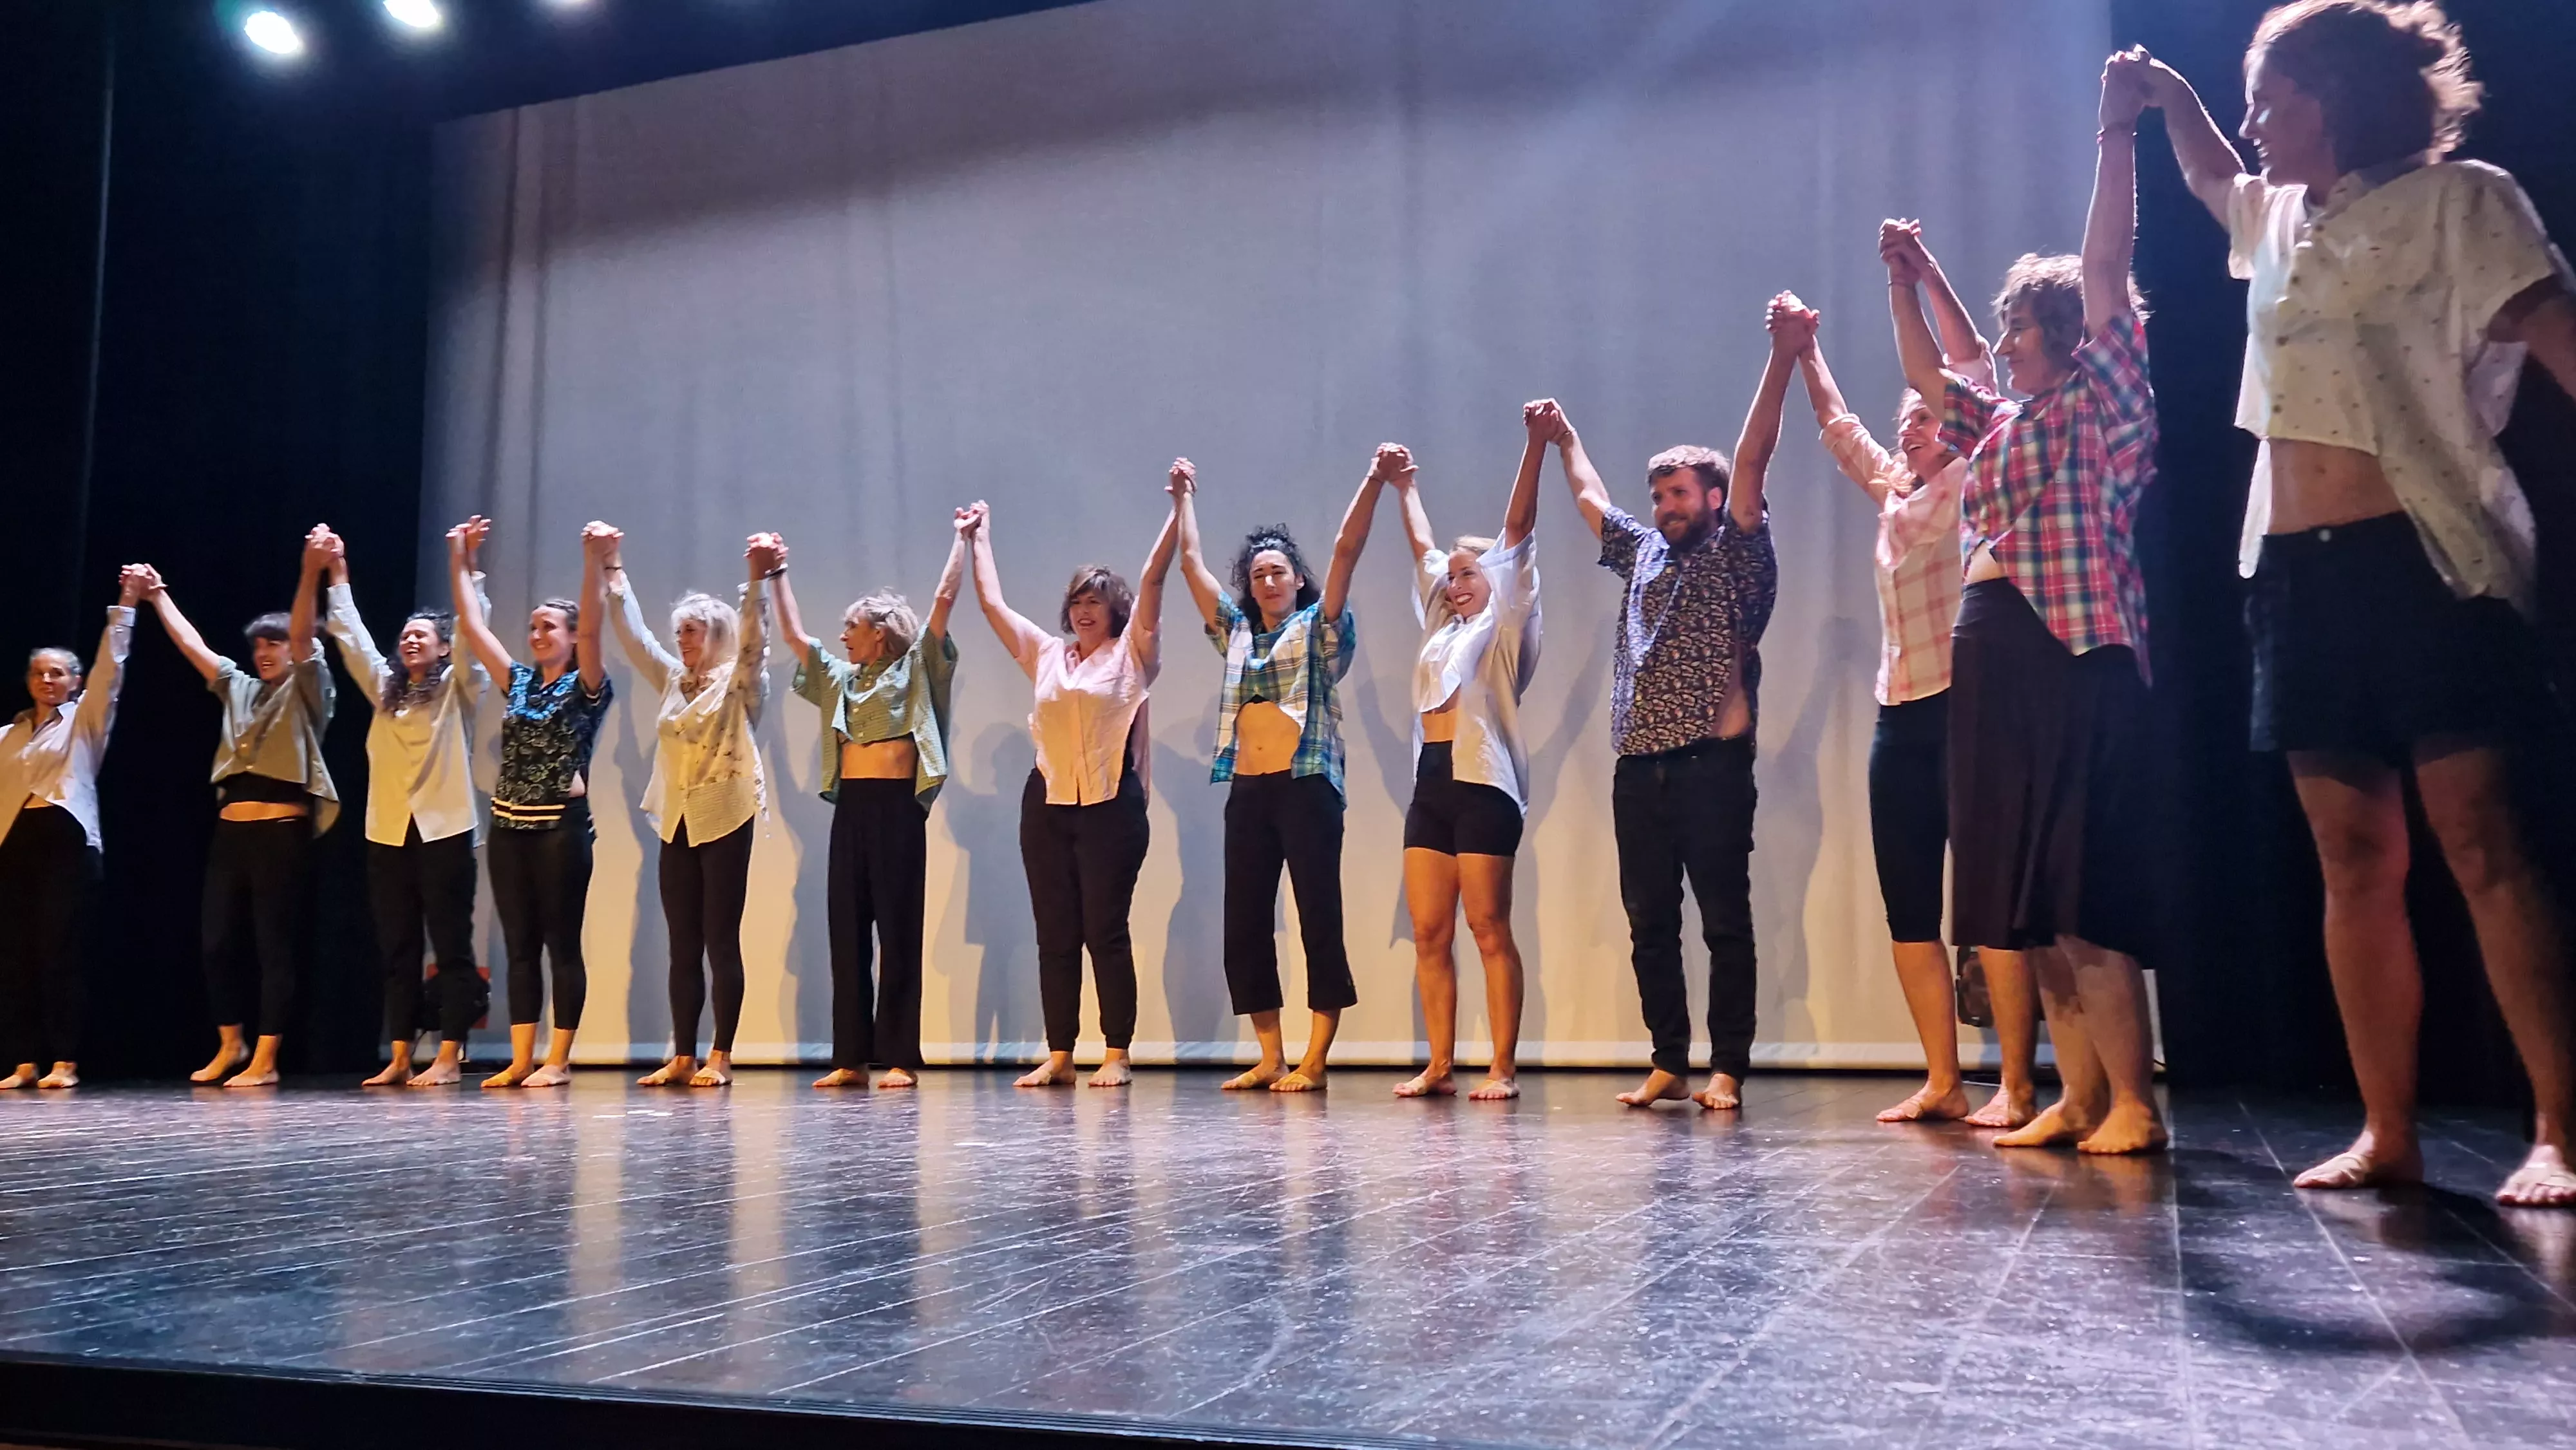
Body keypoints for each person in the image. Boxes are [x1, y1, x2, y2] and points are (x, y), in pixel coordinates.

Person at [2124, 3, 2576, 1204]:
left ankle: (2560, 1129)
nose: (2257, 123)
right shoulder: (2277, 218)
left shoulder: (2461, 202)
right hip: (2294, 569)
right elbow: (2214, 170)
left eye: (2271, 97)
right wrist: (2171, 98)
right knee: (2351, 852)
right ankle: (2389, 1129)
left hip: (2426, 555)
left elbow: (2556, 335)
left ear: (2336, 96)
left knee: (2481, 841)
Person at [1888, 58, 2165, 1156]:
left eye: (2017, 331)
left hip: (2072, 645)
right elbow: (1934, 374)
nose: (2005, 348)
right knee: (2023, 893)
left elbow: (2105, 264)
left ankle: (2133, 1101)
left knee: (2083, 880)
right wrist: (1906, 278)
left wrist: (2114, 137)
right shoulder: (2002, 424)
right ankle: (2081, 1095)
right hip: (1992, 645)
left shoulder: (2102, 393)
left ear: (2063, 333)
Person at [1806, 234, 2040, 1128]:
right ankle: (1944, 1079)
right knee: (1911, 906)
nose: (1908, 425)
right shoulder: (1900, 494)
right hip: (1897, 713)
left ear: (1962, 423)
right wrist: (1804, 351)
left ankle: (2016, 1084)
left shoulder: (1979, 478)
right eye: (1904, 419)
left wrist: (1917, 275)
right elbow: (1839, 431)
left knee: (1983, 903)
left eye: (1925, 415)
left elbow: (1964, 362)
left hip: (1966, 708)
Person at [1562, 303, 1788, 1111]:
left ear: (1714, 495)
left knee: (1724, 921)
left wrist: (1784, 356)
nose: (1666, 505)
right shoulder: (1644, 551)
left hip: (1710, 764)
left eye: (1680, 492)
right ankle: (1668, 1058)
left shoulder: (1734, 546)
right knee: (1649, 923)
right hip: (1639, 769)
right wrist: (1563, 440)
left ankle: (1727, 1064)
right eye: (1659, 494)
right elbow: (1590, 498)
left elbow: (1756, 453)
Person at [1173, 446, 1391, 1091]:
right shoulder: (1238, 634)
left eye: (1280, 572)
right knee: (1244, 919)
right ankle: (1270, 1053)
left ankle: (1315, 1057)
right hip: (1249, 788)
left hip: (1307, 784)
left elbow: (1347, 550)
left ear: (1297, 578)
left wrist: (1374, 477)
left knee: (1317, 911)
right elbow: (1190, 563)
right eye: (1260, 574)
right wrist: (1183, 494)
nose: (1269, 581)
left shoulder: (1318, 628)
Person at [961, 476, 1179, 1090]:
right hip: (1049, 803)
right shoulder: (1048, 655)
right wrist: (981, 537)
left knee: (1104, 930)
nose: (1085, 610)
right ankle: (1059, 1053)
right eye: (1078, 601)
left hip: (1112, 804)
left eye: (1097, 601)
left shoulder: (1132, 655)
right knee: (1055, 933)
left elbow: (1157, 581)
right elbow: (992, 607)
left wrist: (1178, 507)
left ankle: (1116, 1052)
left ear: (1115, 610)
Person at [1385, 405, 1547, 1102]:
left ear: (1495, 580)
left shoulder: (1505, 626)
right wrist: (1404, 485)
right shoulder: (1439, 627)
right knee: (1428, 930)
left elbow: (1516, 531)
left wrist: (1535, 445)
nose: (1454, 583)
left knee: (1487, 926)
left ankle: (1502, 1065)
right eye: (1449, 577)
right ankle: (1439, 1063)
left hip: (1484, 782)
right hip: (1432, 781)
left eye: (1468, 573)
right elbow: (1420, 545)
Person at [146, 530, 341, 1088]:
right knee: (215, 941)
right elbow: (192, 647)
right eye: (260, 647)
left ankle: (267, 1057)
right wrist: (158, 595)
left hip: (280, 830)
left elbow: (305, 635)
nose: (265, 653)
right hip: (230, 832)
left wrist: (309, 574)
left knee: (271, 944)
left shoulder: (308, 692)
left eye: (274, 646)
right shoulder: (237, 686)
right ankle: (231, 1042)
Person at [772, 522, 965, 1089]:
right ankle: (851, 1057)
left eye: (852, 627)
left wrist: (963, 539)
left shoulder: (917, 669)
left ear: (880, 633)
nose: (844, 636)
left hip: (897, 811)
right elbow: (793, 636)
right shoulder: (841, 679)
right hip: (851, 810)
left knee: (898, 931)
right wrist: (776, 571)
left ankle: (900, 1054)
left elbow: (943, 600)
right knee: (848, 931)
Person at [600, 524, 774, 1089]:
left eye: (693, 633)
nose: (683, 642)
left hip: (724, 814)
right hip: (676, 817)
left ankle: (720, 1054)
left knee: (720, 937)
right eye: (680, 633)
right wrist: (614, 568)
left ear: (716, 634)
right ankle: (682, 1053)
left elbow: (755, 642)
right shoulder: (676, 679)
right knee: (682, 944)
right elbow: (634, 640)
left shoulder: (741, 682)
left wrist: (756, 581)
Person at [321, 530, 491, 1088]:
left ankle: (448, 1052)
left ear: (443, 649)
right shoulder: (385, 689)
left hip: (444, 828)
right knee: (397, 945)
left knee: (450, 944)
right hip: (389, 831)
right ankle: (398, 1054)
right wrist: (338, 572)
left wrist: (464, 565)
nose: (411, 641)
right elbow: (350, 638)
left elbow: (474, 632)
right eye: (406, 635)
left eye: (423, 635)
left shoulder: (458, 689)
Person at [448, 516, 612, 1089]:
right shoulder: (518, 682)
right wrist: (460, 557)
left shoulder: (587, 684)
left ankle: (558, 1059)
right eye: (533, 627)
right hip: (510, 825)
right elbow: (471, 625)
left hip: (561, 830)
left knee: (560, 944)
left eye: (549, 627)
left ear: (569, 637)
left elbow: (593, 633)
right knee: (518, 947)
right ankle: (521, 1057)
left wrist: (594, 563)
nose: (538, 634)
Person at [0, 565, 146, 1090]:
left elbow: (113, 666)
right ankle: (22, 1059)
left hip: (65, 842)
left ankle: (64, 1060)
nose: (47, 680)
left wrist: (126, 603)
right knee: (15, 953)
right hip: (15, 845)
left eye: (57, 673)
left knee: (59, 950)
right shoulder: (8, 735)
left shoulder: (85, 720)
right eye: (39, 673)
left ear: (76, 681)